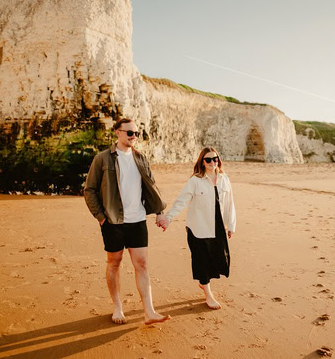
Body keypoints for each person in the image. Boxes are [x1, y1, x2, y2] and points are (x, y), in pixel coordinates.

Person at [84, 117, 170, 325]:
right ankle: (117, 307)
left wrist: (158, 211)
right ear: (117, 133)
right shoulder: (103, 159)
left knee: (142, 264)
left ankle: (149, 311)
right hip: (113, 221)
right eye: (129, 133)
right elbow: (89, 190)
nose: (134, 137)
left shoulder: (141, 158)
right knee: (114, 263)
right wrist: (101, 217)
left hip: (138, 220)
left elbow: (150, 186)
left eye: (136, 133)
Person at [159, 147, 236, 310]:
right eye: (208, 160)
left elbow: (230, 203)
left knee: (218, 258)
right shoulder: (195, 181)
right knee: (202, 262)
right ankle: (208, 294)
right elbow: (181, 201)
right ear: (202, 162)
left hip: (218, 227)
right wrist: (168, 218)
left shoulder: (224, 179)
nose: (212, 162)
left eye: (215, 159)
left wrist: (231, 225)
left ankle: (204, 283)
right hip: (198, 228)